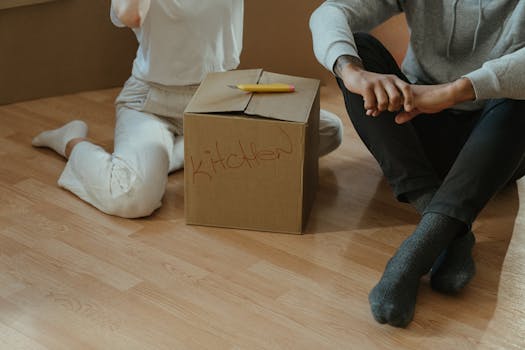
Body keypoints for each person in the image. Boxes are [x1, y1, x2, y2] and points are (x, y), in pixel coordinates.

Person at [310, 0, 525, 327]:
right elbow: (330, 12)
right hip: (417, 120)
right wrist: (351, 71)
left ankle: (418, 250)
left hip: (497, 143)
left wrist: (453, 91)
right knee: (357, 47)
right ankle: (445, 228)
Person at [32, 0, 343, 219]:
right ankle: (72, 142)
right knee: (133, 197)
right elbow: (129, 14)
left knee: (326, 131)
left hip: (220, 96)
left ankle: (176, 154)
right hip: (153, 101)